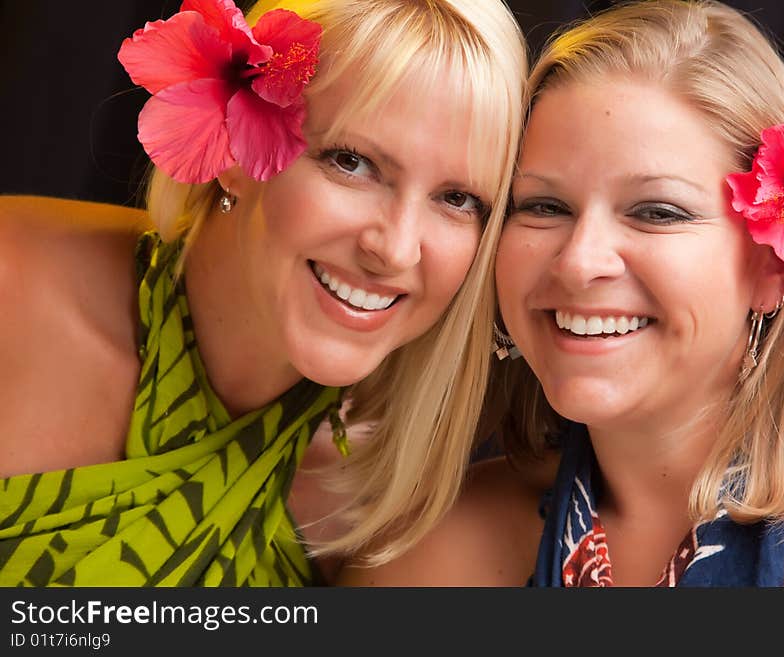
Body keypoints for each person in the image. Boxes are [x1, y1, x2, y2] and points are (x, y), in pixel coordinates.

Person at [338, 0, 784, 587]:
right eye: (544, 207)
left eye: (656, 211)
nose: (578, 262)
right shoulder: (427, 557)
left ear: (776, 266)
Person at [0, 0, 527, 586]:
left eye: (458, 199)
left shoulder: (386, 502)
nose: (397, 249)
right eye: (351, 162)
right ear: (232, 141)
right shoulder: (11, 292)